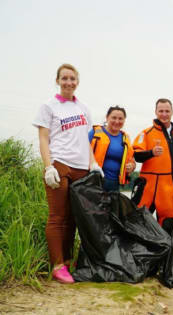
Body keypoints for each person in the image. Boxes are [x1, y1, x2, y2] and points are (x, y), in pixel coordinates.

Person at [33, 64, 103, 284]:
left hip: (81, 168)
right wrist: (48, 166)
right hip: (60, 164)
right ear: (58, 81)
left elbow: (86, 140)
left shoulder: (84, 108)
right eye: (64, 78)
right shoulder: (49, 106)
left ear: (77, 82)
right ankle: (57, 265)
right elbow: (43, 139)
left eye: (72, 78)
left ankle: (70, 260)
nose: (68, 82)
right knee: (57, 217)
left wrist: (94, 163)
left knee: (74, 217)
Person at [132, 98, 173, 235]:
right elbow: (136, 155)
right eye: (161, 111)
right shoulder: (146, 133)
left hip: (168, 189)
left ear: (172, 112)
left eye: (167, 111)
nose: (164, 114)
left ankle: (166, 256)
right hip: (147, 187)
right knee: (138, 224)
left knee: (168, 226)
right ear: (155, 112)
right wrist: (151, 153)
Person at [88, 106, 135, 192]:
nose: (117, 121)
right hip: (94, 182)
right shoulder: (94, 133)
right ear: (107, 117)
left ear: (124, 120)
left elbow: (131, 160)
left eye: (120, 119)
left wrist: (131, 166)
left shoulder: (126, 138)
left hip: (115, 184)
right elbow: (82, 150)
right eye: (114, 118)